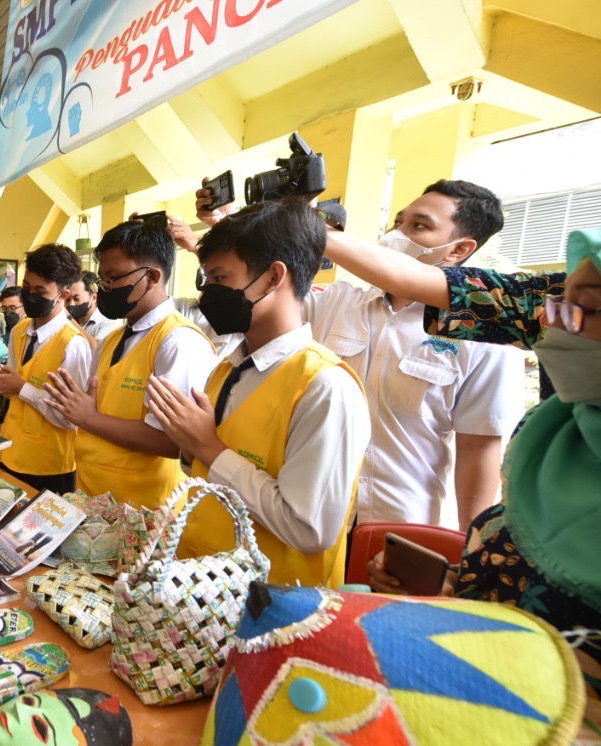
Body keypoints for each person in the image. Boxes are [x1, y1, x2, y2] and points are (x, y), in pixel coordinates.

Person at [324, 221, 599, 667]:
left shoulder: (484, 351)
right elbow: (514, 577)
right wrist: (451, 585)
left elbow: (477, 446)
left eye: (579, 312)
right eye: (555, 307)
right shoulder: (555, 431)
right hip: (484, 664)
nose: (553, 327)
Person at [195, 179, 524, 530]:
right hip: (300, 508)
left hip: (395, 526)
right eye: (398, 221)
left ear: (459, 250)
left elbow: (478, 449)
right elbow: (263, 284)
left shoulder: (482, 340)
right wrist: (231, 225)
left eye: (419, 226)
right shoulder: (338, 302)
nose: (397, 233)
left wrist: (467, 548)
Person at [147, 199, 371, 588]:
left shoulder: (325, 387)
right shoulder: (228, 366)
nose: (207, 295)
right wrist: (189, 444)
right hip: (203, 589)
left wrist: (210, 448)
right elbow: (199, 469)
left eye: (219, 279)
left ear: (272, 277)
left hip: (273, 609)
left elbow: (309, 530)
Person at [43, 217, 216, 509]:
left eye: (114, 278)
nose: (106, 288)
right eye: (103, 280)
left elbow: (174, 442)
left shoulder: (177, 341)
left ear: (152, 277)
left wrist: (88, 417)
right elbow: (93, 407)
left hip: (145, 512)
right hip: (95, 498)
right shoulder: (113, 340)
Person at [0, 244, 92, 494]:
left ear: (63, 295)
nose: (30, 296)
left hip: (50, 467)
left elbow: (70, 418)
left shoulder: (73, 344)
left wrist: (21, 388)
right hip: (9, 453)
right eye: (26, 288)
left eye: (40, 291)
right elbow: (10, 388)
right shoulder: (19, 331)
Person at [65, 271, 125, 342]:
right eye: (67, 300)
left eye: (76, 299)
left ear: (93, 298)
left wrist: (70, 319)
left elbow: (97, 350)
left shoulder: (110, 321)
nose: (71, 304)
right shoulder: (64, 321)